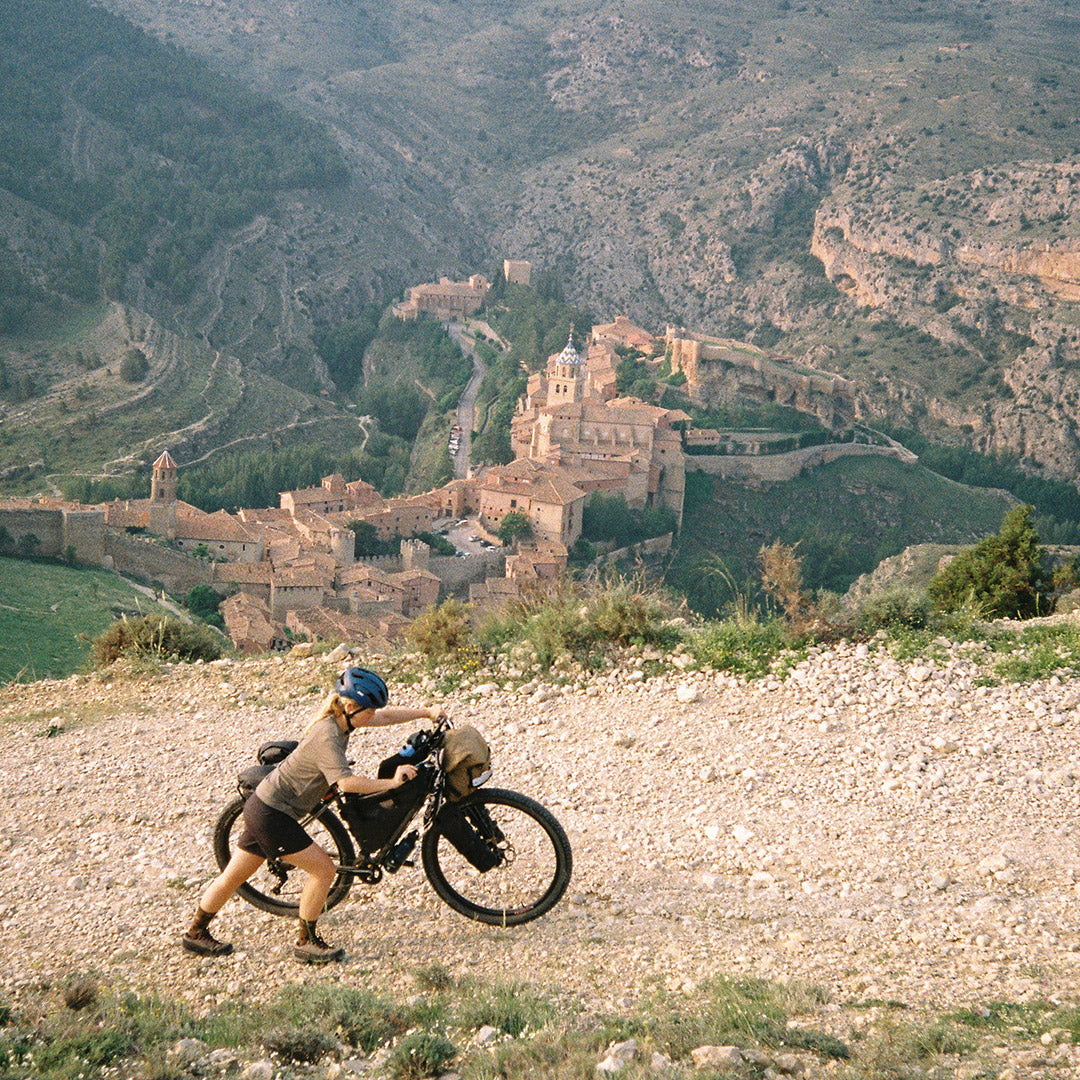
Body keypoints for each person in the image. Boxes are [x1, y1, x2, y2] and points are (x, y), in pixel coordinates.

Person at [181, 666, 446, 964]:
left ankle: (195, 934)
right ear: (349, 707)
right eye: (368, 711)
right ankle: (306, 943)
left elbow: (383, 717)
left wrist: (425, 712)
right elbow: (345, 783)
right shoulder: (327, 735)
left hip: (263, 807)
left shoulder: (343, 721)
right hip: (273, 815)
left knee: (232, 877)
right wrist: (393, 782)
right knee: (323, 871)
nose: (372, 716)